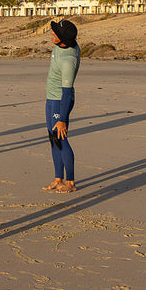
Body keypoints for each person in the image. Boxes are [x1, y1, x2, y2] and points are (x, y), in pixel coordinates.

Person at [44, 19, 81, 193]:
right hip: (51, 98)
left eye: (55, 33)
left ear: (63, 39)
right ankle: (58, 179)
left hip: (61, 101)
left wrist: (63, 119)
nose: (52, 33)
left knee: (61, 138)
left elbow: (67, 92)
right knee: (53, 138)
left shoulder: (68, 61)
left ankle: (71, 182)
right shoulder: (62, 45)